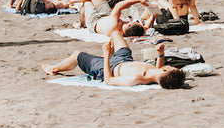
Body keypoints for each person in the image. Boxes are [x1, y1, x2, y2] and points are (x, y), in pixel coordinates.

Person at [41, 32, 186, 89]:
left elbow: (109, 80)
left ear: (166, 70)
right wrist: (160, 55)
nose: (167, 65)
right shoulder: (156, 74)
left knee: (77, 54)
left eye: (169, 67)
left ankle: (53, 69)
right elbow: (158, 70)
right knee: (116, 33)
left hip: (108, 67)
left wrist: (106, 55)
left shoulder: (137, 79)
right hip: (124, 59)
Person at [60, 0, 149, 37]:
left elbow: (118, 6)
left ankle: (81, 23)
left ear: (129, 25)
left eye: (133, 22)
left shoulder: (115, 25)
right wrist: (153, 16)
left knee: (87, 1)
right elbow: (145, 28)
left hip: (94, 21)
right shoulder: (125, 32)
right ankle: (69, 0)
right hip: (107, 15)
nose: (133, 21)